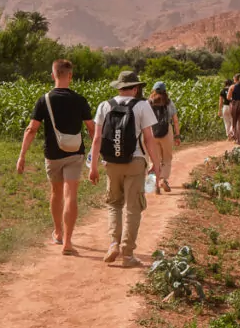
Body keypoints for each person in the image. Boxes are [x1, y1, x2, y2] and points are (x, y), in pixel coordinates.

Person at [16, 59, 94, 257]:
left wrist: (22, 155)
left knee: (56, 193)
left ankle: (58, 233)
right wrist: (97, 153)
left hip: (52, 154)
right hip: (75, 153)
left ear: (53, 75)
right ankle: (68, 242)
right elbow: (92, 129)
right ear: (70, 76)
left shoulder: (45, 100)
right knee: (71, 195)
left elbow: (32, 129)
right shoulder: (80, 100)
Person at [89, 71, 157, 267]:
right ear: (135, 88)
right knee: (133, 208)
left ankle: (113, 243)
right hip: (135, 162)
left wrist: (93, 167)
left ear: (118, 87)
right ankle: (127, 254)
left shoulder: (105, 105)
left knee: (114, 204)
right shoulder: (142, 105)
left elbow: (96, 139)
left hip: (111, 163)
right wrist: (156, 165)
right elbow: (149, 138)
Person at [148, 81, 181, 193]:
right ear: (165, 91)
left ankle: (155, 183)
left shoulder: (149, 102)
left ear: (154, 90)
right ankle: (163, 179)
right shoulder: (169, 102)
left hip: (152, 132)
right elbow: (175, 121)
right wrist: (177, 135)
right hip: (166, 131)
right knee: (167, 158)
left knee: (154, 159)